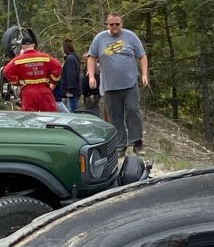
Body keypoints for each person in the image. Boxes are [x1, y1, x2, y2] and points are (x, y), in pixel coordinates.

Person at [87, 12, 148, 155]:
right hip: (110, 85)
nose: (114, 27)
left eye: (117, 24)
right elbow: (91, 57)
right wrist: (91, 76)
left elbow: (142, 55)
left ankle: (137, 142)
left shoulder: (130, 36)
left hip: (129, 83)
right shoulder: (100, 39)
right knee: (115, 116)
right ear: (107, 24)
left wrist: (144, 74)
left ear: (122, 24)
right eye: (111, 24)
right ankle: (120, 145)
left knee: (133, 111)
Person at [1, 27, 62, 113]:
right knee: (50, 118)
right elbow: (58, 67)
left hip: (28, 92)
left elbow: (6, 70)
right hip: (44, 90)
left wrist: (18, 82)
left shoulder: (18, 60)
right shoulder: (45, 58)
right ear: (34, 45)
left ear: (22, 46)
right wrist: (51, 81)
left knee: (29, 119)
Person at [59, 38, 81, 112]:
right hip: (73, 91)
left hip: (71, 93)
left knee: (71, 112)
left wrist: (69, 91)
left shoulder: (70, 59)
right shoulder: (73, 58)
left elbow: (71, 75)